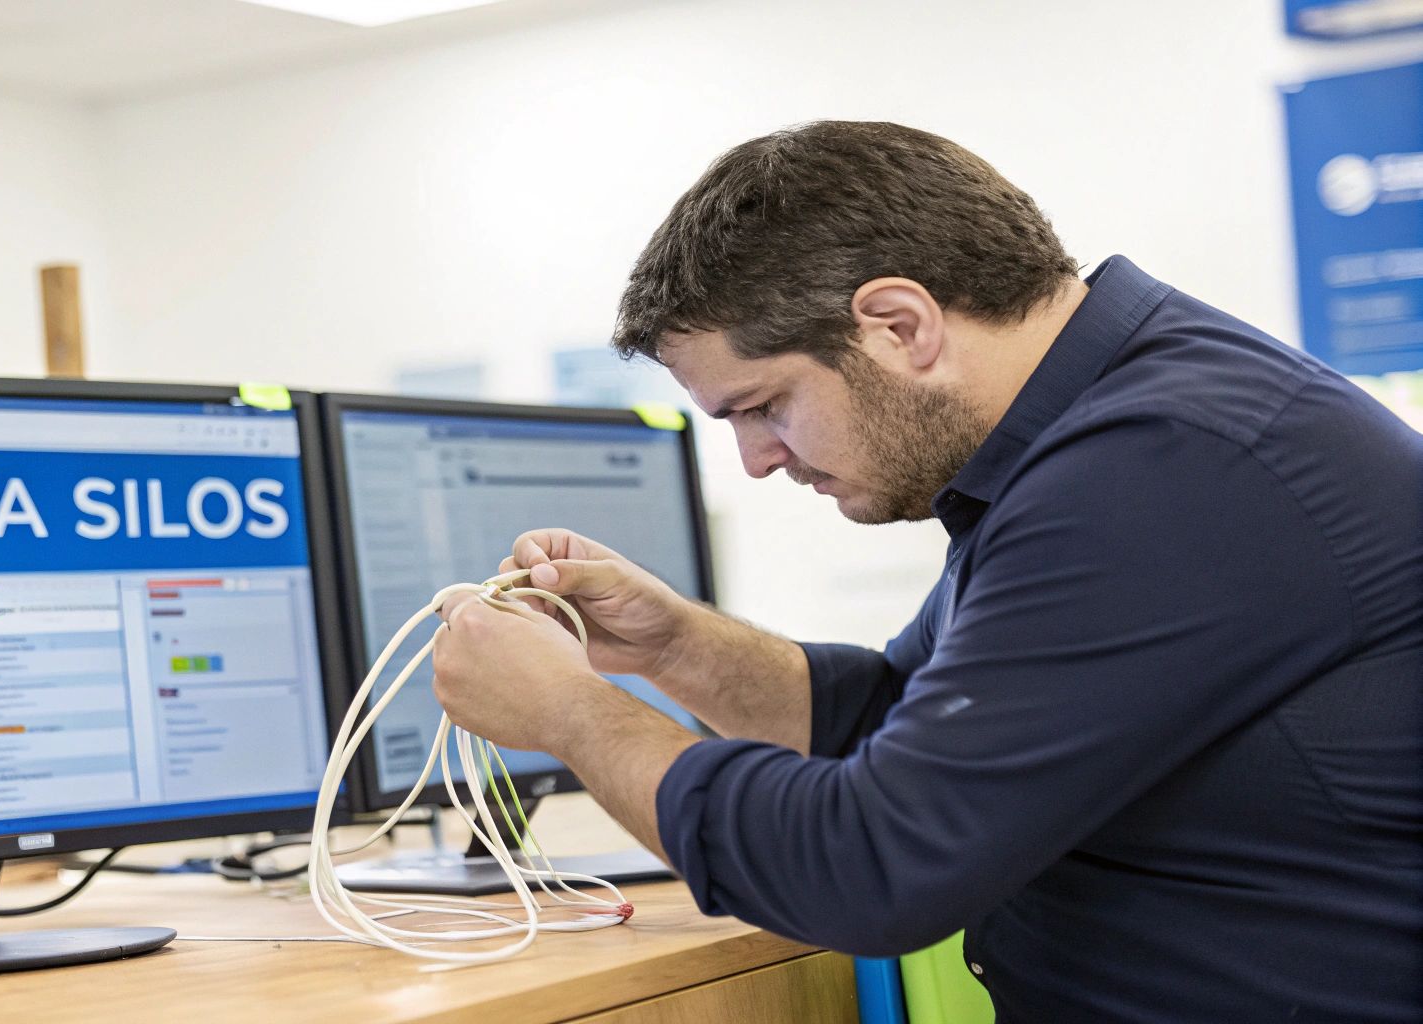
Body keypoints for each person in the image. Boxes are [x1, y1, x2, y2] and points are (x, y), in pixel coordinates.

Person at [429, 121, 1423, 1022]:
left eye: (763, 405)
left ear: (899, 326)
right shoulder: (1096, 435)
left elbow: (872, 867)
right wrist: (673, 647)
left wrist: (568, 713)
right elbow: (902, 716)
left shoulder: (1168, 465)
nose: (757, 461)